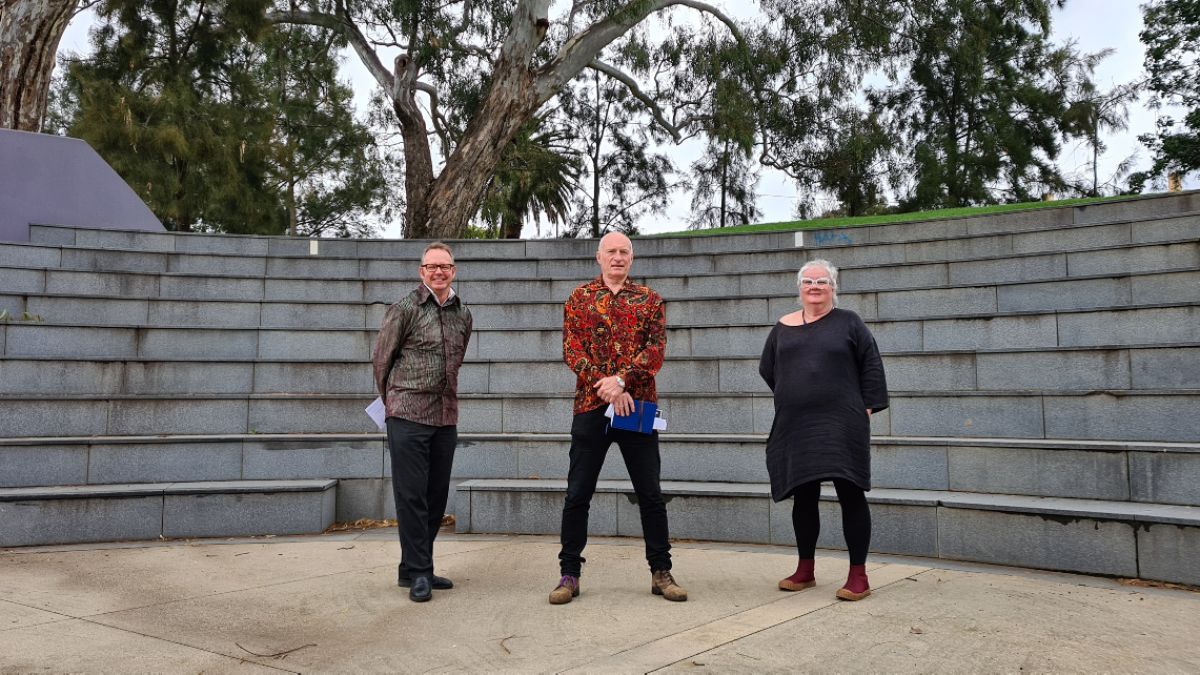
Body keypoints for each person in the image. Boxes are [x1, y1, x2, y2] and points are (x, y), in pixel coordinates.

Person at [549, 231, 687, 605]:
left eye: (624, 252)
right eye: (611, 251)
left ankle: (661, 572)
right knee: (578, 493)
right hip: (590, 405)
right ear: (599, 257)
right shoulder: (579, 298)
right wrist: (604, 384)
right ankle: (569, 574)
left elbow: (655, 350)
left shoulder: (650, 300)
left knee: (651, 493)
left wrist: (622, 381)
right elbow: (570, 348)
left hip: (637, 405)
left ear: (632, 258)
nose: (617, 257)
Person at [758, 259, 888, 601]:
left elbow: (871, 364)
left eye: (822, 281)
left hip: (843, 421)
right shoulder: (782, 327)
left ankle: (858, 575)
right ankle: (805, 570)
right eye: (808, 281)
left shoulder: (849, 322)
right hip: (797, 423)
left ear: (833, 287)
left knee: (850, 492)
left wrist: (867, 405)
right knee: (804, 495)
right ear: (799, 288)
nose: (815, 286)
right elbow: (769, 369)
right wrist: (797, 394)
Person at [372, 242, 473, 603]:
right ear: (421, 271)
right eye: (432, 266)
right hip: (408, 414)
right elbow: (382, 360)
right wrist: (394, 402)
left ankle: (412, 567)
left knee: (435, 495)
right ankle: (420, 571)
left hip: (445, 415)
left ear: (454, 271)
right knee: (411, 496)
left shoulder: (463, 313)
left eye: (445, 266)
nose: (439, 272)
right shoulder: (404, 309)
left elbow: (458, 357)